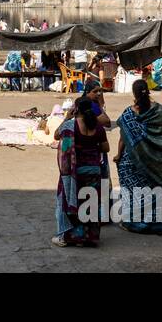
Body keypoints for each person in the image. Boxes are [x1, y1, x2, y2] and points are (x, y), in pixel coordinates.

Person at [114, 79, 162, 234]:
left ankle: (132, 222)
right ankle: (155, 223)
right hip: (154, 160)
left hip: (131, 159)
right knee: (153, 190)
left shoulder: (128, 114)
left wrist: (118, 155)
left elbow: (123, 137)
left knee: (130, 190)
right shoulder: (160, 111)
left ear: (134, 93)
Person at [52, 96, 110, 248]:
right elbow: (106, 148)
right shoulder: (98, 127)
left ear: (76, 109)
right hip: (94, 171)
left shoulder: (70, 125)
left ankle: (73, 237)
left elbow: (56, 135)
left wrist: (67, 117)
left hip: (75, 172)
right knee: (90, 204)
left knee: (74, 203)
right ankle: (89, 238)